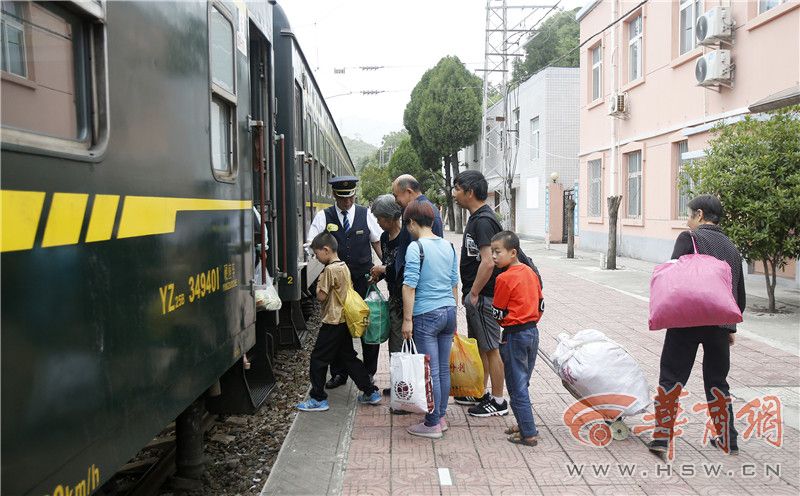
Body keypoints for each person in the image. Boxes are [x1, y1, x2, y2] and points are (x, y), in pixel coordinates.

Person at [648, 195, 746, 456]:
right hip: (718, 325)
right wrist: (730, 328)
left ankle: (661, 438)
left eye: (690, 215)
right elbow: (737, 290)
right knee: (717, 381)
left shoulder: (688, 238)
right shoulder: (731, 247)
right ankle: (728, 439)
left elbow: (675, 278)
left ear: (700, 215)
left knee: (672, 377)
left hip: (686, 321)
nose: (687, 221)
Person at [307, 176, 383, 390]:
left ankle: (368, 372)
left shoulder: (365, 214)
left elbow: (376, 241)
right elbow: (312, 243)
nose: (347, 202)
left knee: (368, 326)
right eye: (343, 199)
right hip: (336, 287)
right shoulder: (323, 216)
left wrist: (385, 265)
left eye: (350, 198)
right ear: (335, 196)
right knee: (339, 328)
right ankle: (339, 373)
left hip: (363, 280)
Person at [296, 233, 382, 412]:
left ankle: (318, 398)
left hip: (333, 320)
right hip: (344, 319)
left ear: (326, 250)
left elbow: (321, 296)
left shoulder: (329, 270)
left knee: (318, 359)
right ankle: (370, 392)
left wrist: (319, 284)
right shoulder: (343, 266)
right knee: (348, 357)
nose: (316, 258)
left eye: (317, 254)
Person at [452, 170, 508, 417]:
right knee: (482, 347)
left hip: (485, 295)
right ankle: (480, 392)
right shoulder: (477, 218)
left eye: (456, 189)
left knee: (491, 348)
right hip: (480, 295)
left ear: (469, 192)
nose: (454, 194)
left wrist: (473, 293)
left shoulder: (483, 220)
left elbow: (488, 262)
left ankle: (497, 401)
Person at [401, 201, 459, 439]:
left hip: (427, 315)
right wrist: (454, 313)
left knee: (431, 371)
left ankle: (432, 423)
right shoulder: (449, 246)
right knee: (443, 369)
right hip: (449, 312)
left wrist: (407, 320)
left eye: (408, 224)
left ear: (412, 223)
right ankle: (441, 416)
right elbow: (454, 282)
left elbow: (409, 286)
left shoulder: (416, 248)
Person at [490, 231, 543, 447]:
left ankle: (528, 433)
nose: (493, 256)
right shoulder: (531, 273)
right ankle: (524, 424)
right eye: (492, 251)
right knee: (523, 381)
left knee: (516, 385)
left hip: (514, 335)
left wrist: (506, 320)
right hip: (532, 332)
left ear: (513, 253)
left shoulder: (503, 278)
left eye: (497, 251)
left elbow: (498, 312)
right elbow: (540, 305)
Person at [368, 195, 404, 396]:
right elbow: (389, 267)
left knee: (399, 344)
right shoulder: (384, 238)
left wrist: (382, 270)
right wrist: (378, 277)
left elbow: (401, 270)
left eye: (380, 218)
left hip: (405, 300)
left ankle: (403, 386)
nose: (378, 223)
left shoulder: (406, 237)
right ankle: (399, 383)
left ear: (390, 218)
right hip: (393, 298)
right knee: (394, 345)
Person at [391, 174, 443, 282]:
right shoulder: (410, 210)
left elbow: (432, 257)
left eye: (396, 196)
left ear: (409, 192)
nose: (395, 201)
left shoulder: (427, 213)